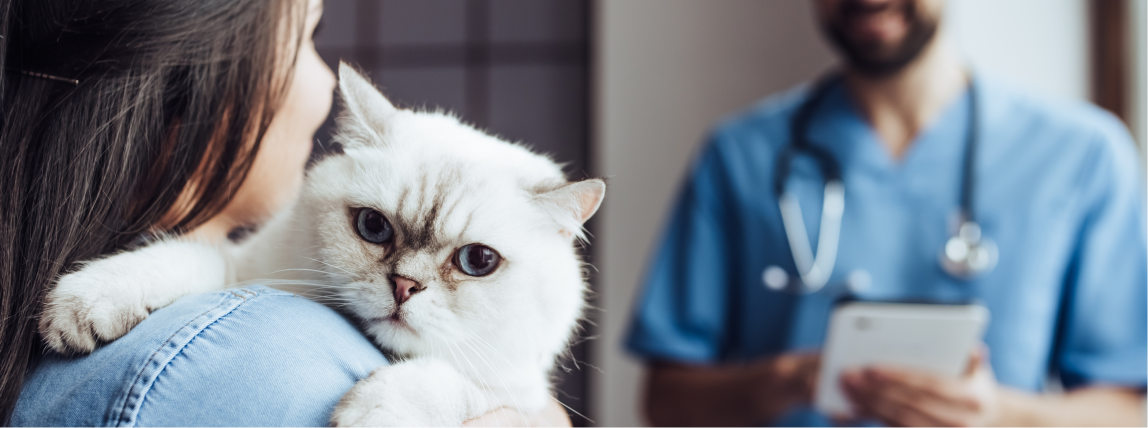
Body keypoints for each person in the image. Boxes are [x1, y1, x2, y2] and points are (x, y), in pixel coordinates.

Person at [0, 0, 571, 426]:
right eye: (307, 37)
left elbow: (229, 272)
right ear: (185, 72)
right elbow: (233, 275)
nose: (408, 283)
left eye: (472, 260)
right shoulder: (254, 363)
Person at [625, 0, 1148, 427]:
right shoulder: (739, 156)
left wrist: (999, 415)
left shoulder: (1082, 156)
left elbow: (1126, 410)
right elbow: (667, 400)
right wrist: (789, 381)